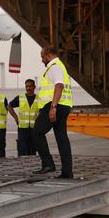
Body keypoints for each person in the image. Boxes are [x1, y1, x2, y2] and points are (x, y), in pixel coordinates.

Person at [31, 46, 73, 178]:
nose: (41, 59)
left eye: (42, 56)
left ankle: (48, 164)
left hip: (54, 105)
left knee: (37, 132)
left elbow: (59, 85)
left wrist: (53, 107)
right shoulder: (60, 66)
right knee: (61, 138)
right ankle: (67, 172)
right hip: (64, 105)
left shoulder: (54, 67)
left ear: (48, 55)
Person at [7, 79, 39, 156]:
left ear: (34, 87)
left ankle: (31, 166)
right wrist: (15, 117)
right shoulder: (20, 98)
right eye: (27, 86)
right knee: (22, 150)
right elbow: (9, 106)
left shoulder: (39, 98)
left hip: (34, 128)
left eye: (30, 86)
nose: (28, 88)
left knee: (32, 151)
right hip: (22, 129)